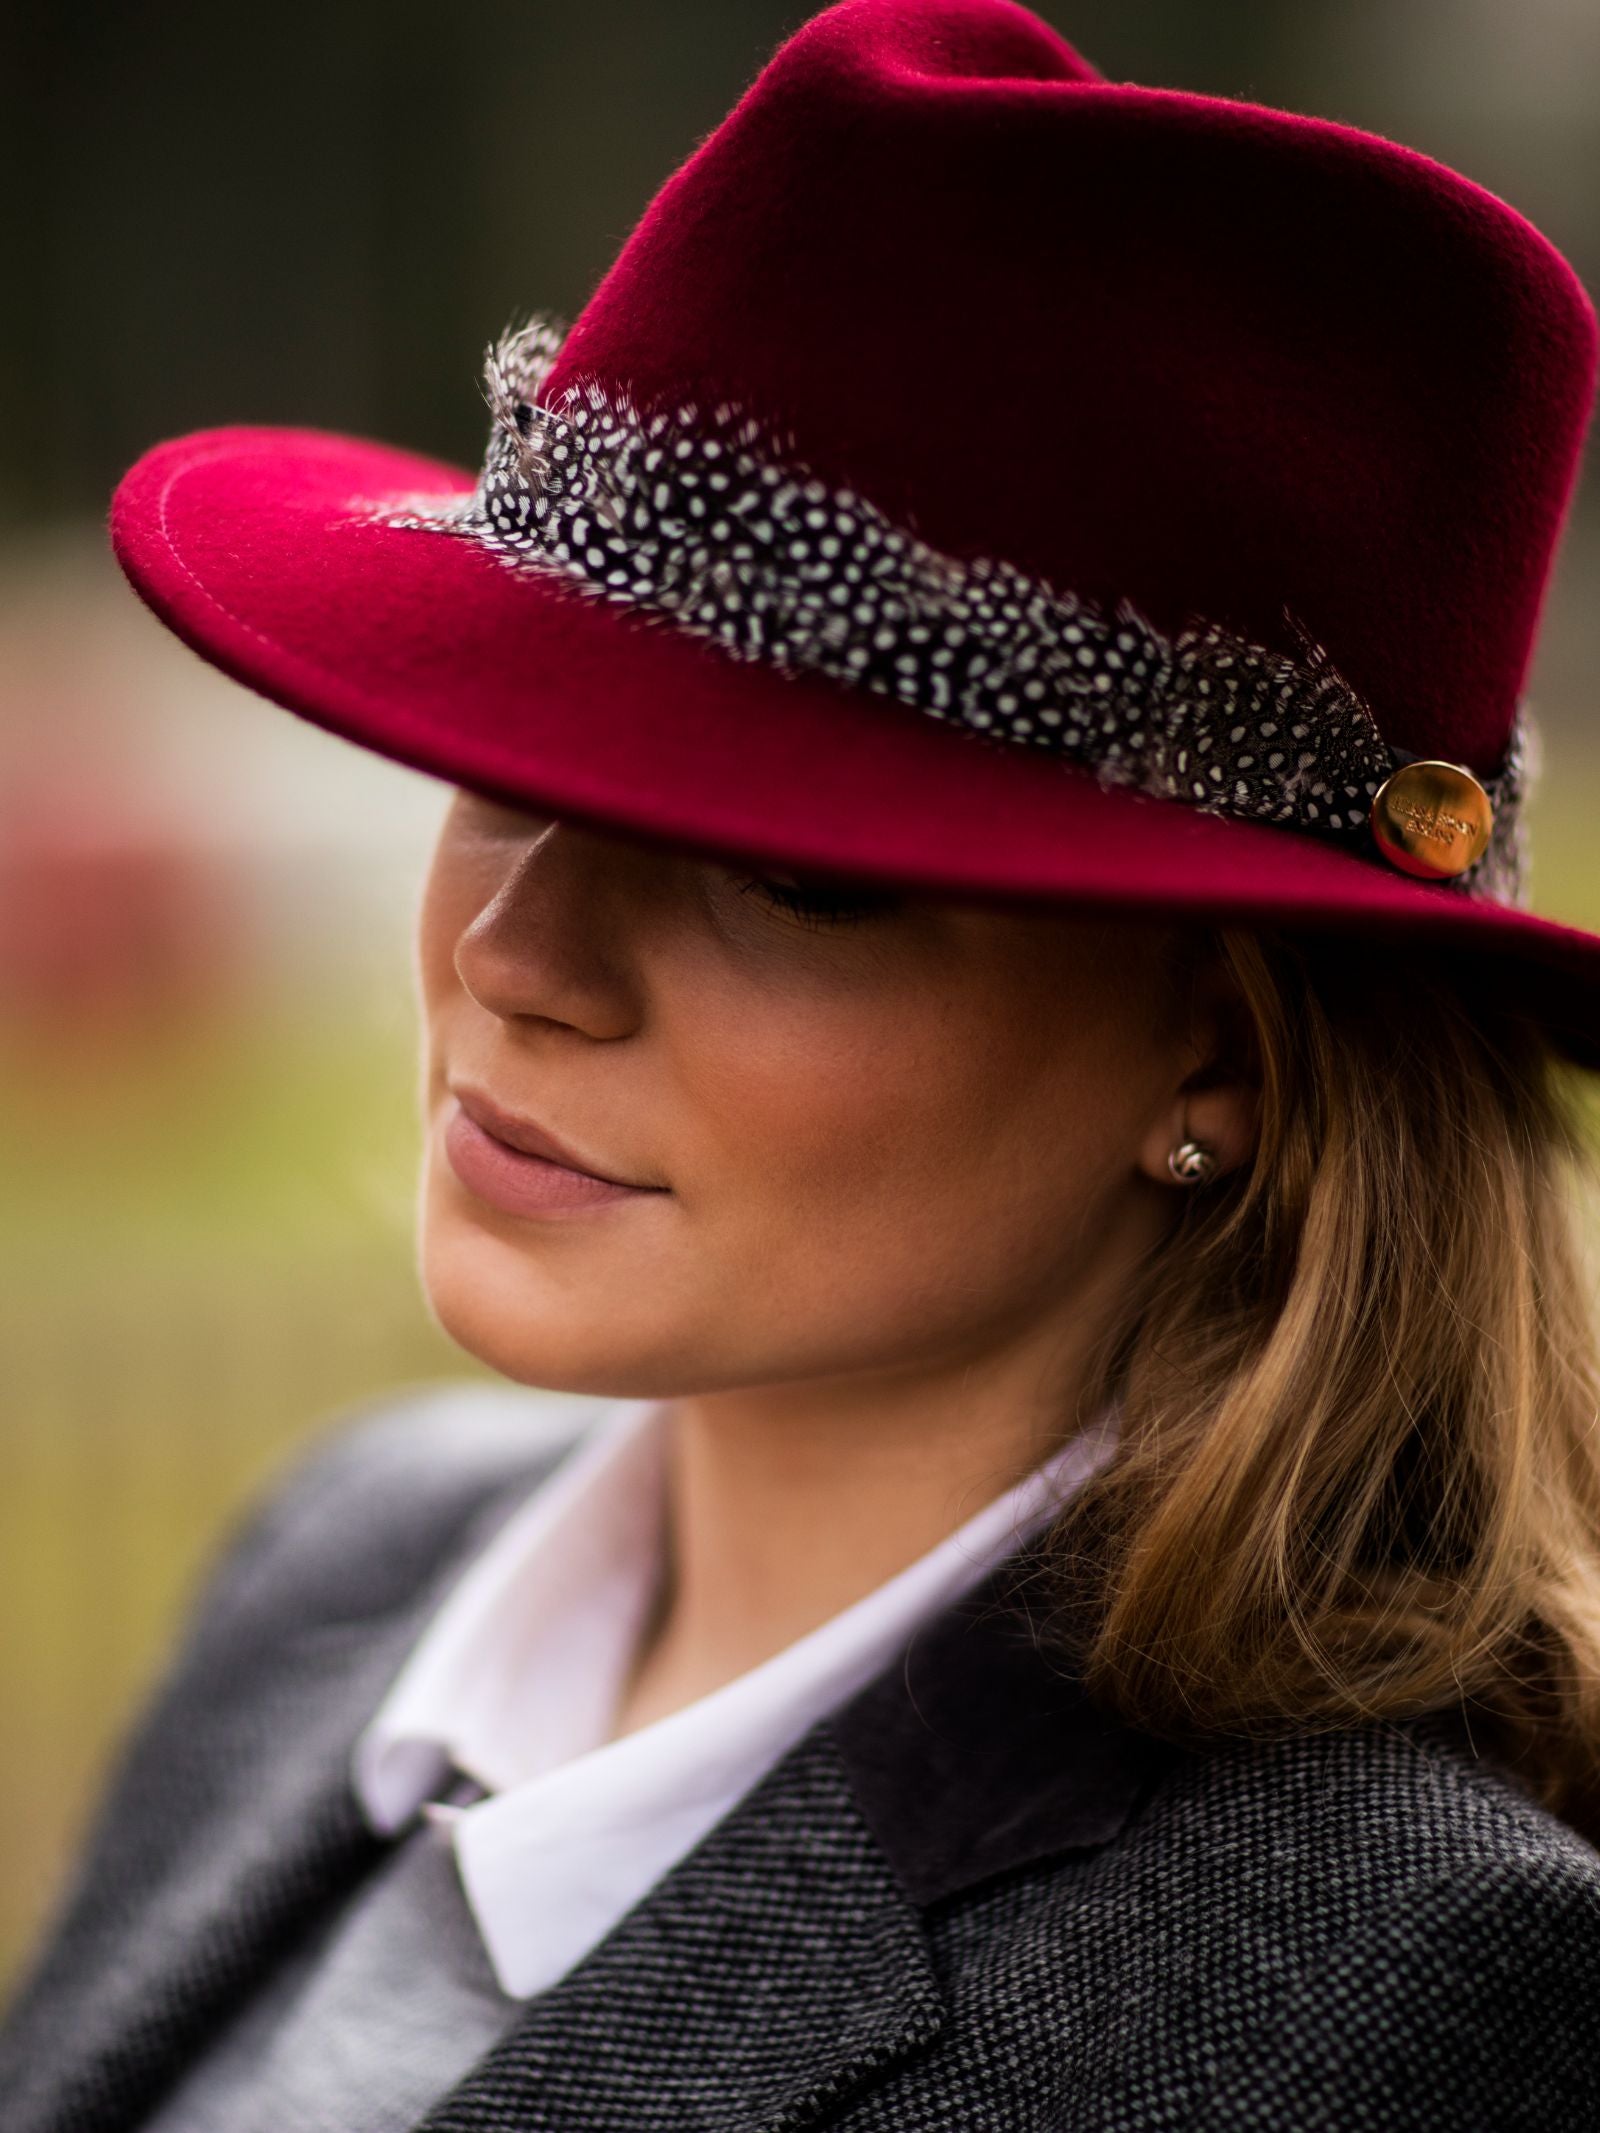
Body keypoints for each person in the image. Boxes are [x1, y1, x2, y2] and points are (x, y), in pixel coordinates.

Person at [5, 0, 1600, 2124]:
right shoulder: (348, 1559)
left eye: (783, 877)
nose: (514, 951)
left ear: (1215, 1048)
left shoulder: (1386, 1994)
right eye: (496, 766)